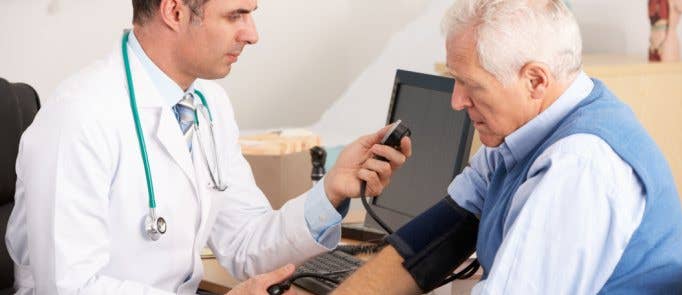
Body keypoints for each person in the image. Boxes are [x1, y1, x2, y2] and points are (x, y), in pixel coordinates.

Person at [4, 0, 411, 294]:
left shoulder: (207, 104)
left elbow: (246, 243)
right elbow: (71, 288)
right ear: (174, 10)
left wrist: (331, 191)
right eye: (236, 15)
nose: (252, 34)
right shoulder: (78, 116)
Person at [334, 0, 682, 294]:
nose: (456, 101)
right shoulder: (518, 135)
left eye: (470, 85)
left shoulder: (578, 166)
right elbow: (429, 245)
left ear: (535, 80)